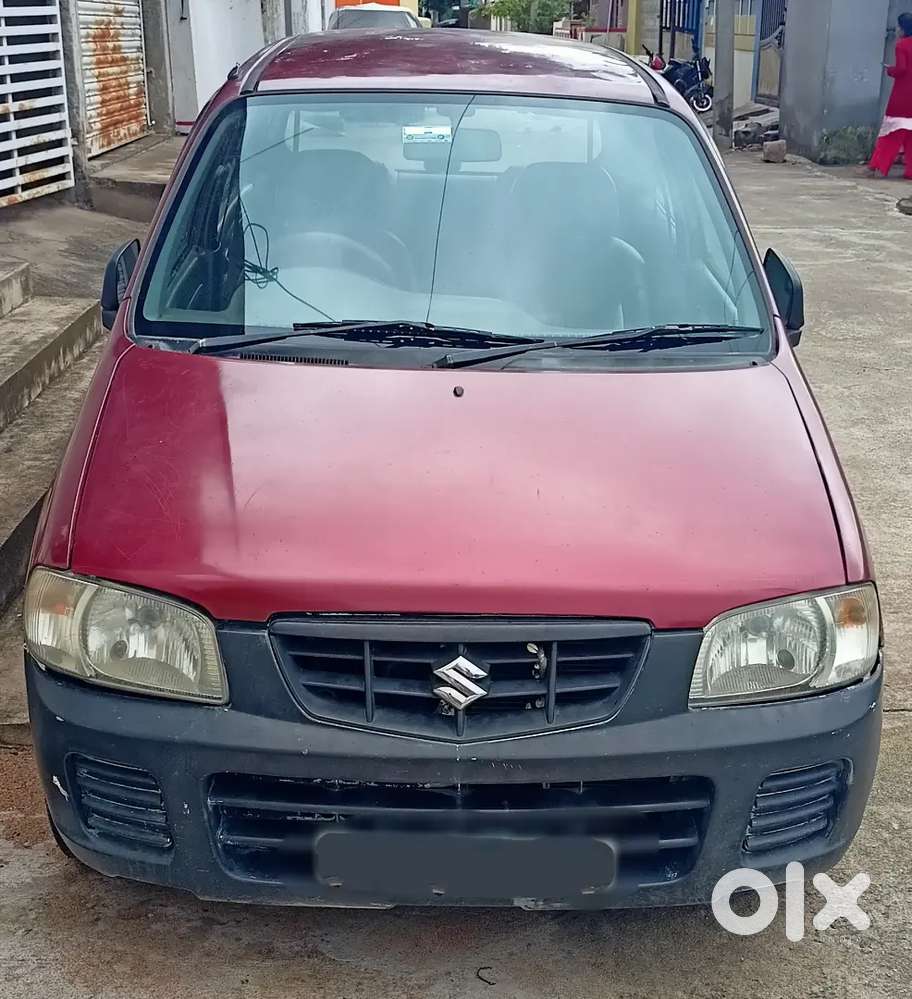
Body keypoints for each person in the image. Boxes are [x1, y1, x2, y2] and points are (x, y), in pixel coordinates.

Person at [869, 12, 912, 179]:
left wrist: (889, 70)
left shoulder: (901, 45)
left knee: (891, 134)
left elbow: (901, 69)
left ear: (903, 28)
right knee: (910, 136)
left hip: (902, 96)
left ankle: (880, 168)